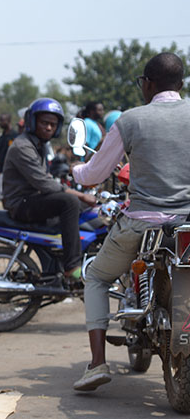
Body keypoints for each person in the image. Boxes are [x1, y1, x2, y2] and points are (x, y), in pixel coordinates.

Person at [71, 52, 190, 391]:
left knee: (95, 277)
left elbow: (94, 175)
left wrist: (76, 170)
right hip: (187, 226)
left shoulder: (131, 120)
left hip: (143, 225)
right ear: (180, 84)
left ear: (148, 84)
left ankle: (96, 364)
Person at [2, 98, 97, 282]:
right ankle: (72, 267)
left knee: (83, 210)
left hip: (32, 199)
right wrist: (81, 195)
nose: (48, 128)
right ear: (32, 122)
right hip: (21, 203)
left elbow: (46, 176)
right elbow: (44, 184)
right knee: (70, 202)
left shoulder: (40, 145)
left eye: (53, 124)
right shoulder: (23, 146)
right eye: (44, 123)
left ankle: (60, 258)